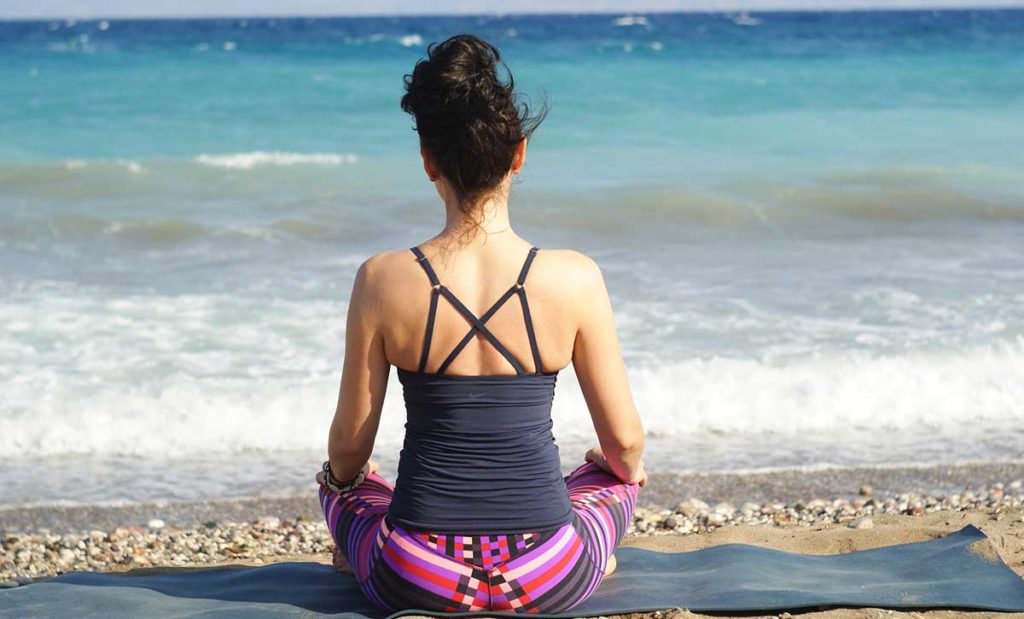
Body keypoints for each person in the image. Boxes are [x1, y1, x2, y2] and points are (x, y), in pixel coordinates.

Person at [317, 33, 646, 613]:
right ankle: (595, 552)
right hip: (545, 572)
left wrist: (348, 482)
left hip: (417, 574)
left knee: (342, 489)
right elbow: (625, 444)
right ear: (518, 154)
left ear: (428, 163)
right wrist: (612, 470)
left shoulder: (381, 279)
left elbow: (348, 449)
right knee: (614, 482)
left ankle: (360, 551)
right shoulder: (575, 278)